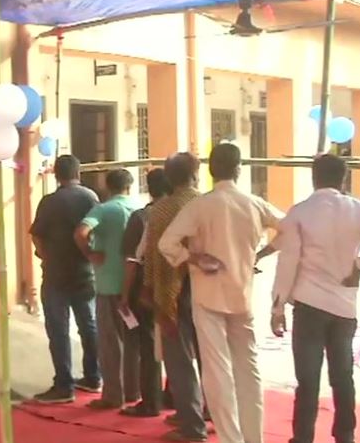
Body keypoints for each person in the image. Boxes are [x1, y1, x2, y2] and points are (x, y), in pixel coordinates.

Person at [159, 143, 282, 443]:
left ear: (211, 171)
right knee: (248, 371)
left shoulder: (200, 206)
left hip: (207, 296)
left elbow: (166, 244)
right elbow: (291, 228)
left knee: (217, 372)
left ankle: (232, 438)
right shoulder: (254, 203)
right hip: (242, 295)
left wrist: (195, 258)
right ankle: (254, 438)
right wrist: (261, 254)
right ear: (239, 169)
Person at [271, 154, 360, 443]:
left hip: (308, 305)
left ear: (313, 177)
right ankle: (345, 435)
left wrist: (277, 306)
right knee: (342, 376)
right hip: (345, 306)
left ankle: (303, 437)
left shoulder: (299, 211)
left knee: (307, 380)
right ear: (344, 178)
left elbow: (288, 261)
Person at [146, 153, 208, 442]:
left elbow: (153, 257)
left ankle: (193, 426)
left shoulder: (160, 210)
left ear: (168, 178)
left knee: (180, 362)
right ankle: (216, 415)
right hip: (208, 287)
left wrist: (153, 292)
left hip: (174, 291)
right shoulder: (207, 204)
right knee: (212, 358)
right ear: (195, 174)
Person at [31, 155, 101, 404]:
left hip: (57, 273)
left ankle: (64, 385)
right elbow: (96, 230)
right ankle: (94, 376)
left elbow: (36, 234)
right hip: (86, 271)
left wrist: (45, 256)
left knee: (58, 329)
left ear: (56, 175)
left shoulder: (50, 201)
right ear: (78, 173)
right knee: (89, 325)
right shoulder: (91, 197)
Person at [74, 169, 140, 410]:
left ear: (108, 187)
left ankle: (113, 395)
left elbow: (81, 232)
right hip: (136, 284)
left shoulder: (103, 209)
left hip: (110, 284)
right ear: (129, 186)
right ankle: (134, 391)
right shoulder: (138, 208)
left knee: (111, 343)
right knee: (134, 340)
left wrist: (90, 253)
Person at [119, 167, 171, 418]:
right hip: (177, 286)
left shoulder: (141, 217)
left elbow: (132, 260)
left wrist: (124, 293)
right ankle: (175, 395)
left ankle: (150, 401)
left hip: (145, 288)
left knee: (148, 344)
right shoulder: (181, 213)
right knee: (176, 342)